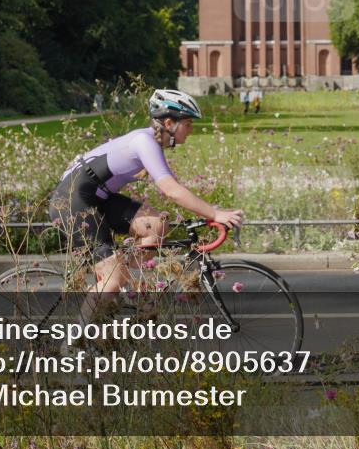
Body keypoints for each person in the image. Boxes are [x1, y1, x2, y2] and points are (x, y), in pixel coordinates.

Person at [48, 89, 243, 301]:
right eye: (188, 124)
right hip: (71, 202)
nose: (191, 130)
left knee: (156, 224)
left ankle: (128, 289)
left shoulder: (150, 142)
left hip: (98, 198)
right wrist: (214, 214)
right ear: (169, 124)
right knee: (114, 280)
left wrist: (212, 210)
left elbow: (175, 186)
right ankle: (78, 332)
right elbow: (172, 191)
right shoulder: (144, 141)